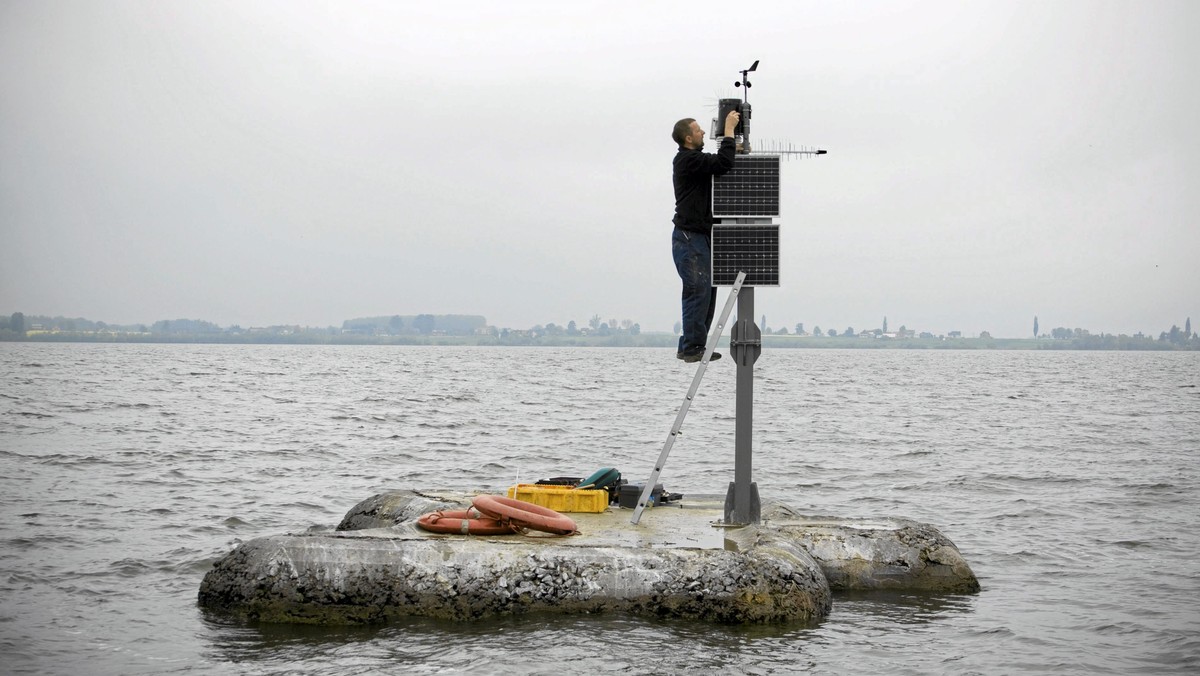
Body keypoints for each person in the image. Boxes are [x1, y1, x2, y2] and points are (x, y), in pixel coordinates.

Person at [670, 109, 739, 362]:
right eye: (698, 130)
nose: (702, 133)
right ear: (688, 138)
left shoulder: (694, 161)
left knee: (706, 291)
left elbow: (718, 162)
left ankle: (692, 345)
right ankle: (691, 347)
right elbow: (722, 163)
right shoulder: (688, 161)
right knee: (697, 290)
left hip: (697, 236)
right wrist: (729, 130)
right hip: (689, 238)